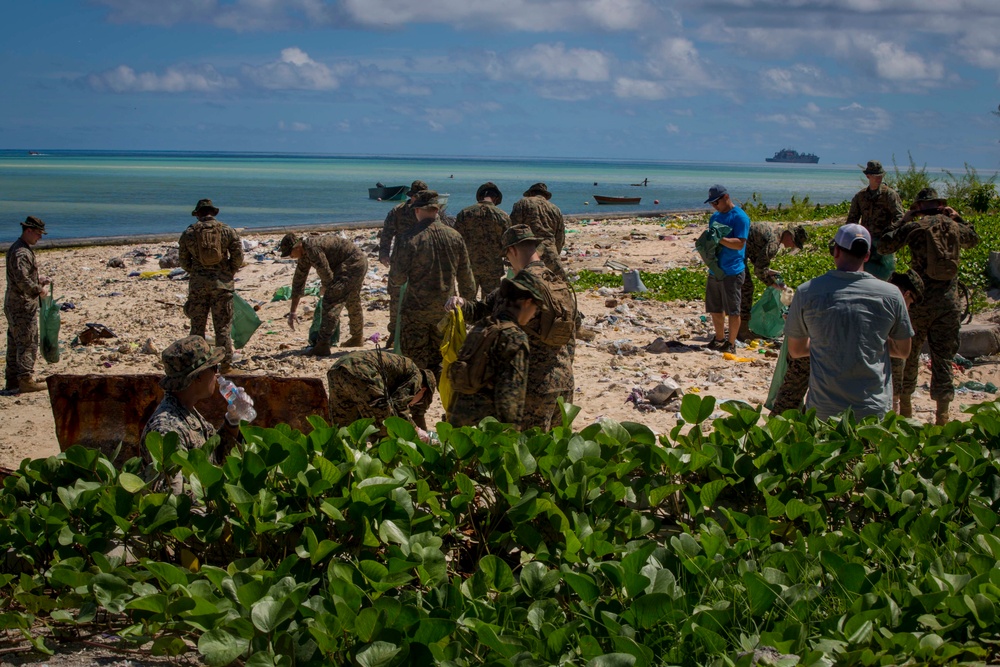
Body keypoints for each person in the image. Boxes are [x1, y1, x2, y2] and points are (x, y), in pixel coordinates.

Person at [448, 224, 577, 430]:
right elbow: (573, 332)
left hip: (533, 386)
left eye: (507, 257)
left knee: (528, 452)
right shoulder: (558, 283)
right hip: (564, 381)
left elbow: (494, 321)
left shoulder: (521, 286)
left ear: (512, 250)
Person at [784, 224, 914, 421]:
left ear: (835, 251)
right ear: (868, 255)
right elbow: (903, 350)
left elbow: (796, 349)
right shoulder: (892, 294)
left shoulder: (807, 291)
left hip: (824, 411)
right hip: (873, 411)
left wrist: (829, 342)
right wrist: (867, 343)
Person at [878, 187, 980, 424]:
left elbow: (885, 245)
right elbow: (973, 240)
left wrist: (903, 219)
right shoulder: (954, 227)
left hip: (919, 302)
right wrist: (958, 217)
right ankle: (942, 417)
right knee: (943, 358)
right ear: (941, 205)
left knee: (908, 355)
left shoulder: (916, 228)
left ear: (919, 207)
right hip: (949, 303)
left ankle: (905, 412)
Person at [388, 190, 476, 378]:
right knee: (441, 362)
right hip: (445, 310)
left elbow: (397, 279)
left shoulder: (408, 238)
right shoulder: (454, 236)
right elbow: (467, 278)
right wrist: (468, 306)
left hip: (416, 312)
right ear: (437, 210)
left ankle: (419, 403)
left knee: (414, 367)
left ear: (417, 210)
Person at [140, 335, 243, 494]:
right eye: (214, 368)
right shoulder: (166, 430)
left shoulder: (186, 412)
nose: (217, 375)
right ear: (198, 377)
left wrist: (232, 421)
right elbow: (173, 499)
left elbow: (214, 461)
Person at [447, 278, 538, 428]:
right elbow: (510, 397)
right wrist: (511, 433)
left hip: (459, 419)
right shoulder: (515, 337)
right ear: (527, 303)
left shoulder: (481, 328)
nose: (534, 314)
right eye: (535, 307)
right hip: (487, 426)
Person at [178, 199, 244, 373]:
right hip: (222, 285)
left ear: (198, 214)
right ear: (213, 213)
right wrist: (227, 272)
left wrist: (197, 272)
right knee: (222, 328)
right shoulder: (228, 231)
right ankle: (225, 365)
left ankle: (196, 366)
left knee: (197, 328)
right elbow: (238, 257)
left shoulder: (189, 233)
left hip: (198, 286)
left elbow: (184, 261)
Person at [280, 232, 368, 356]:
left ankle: (322, 344)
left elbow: (326, 274)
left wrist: (326, 288)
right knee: (352, 299)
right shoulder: (304, 254)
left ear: (297, 246)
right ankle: (357, 337)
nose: (291, 256)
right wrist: (293, 311)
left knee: (331, 301)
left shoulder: (312, 249)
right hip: (354, 263)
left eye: (290, 253)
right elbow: (298, 282)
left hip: (353, 262)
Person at [327, 349, 437, 437]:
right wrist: (415, 430)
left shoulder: (404, 372)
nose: (411, 404)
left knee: (342, 427)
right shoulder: (416, 376)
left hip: (337, 368)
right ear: (423, 389)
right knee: (385, 426)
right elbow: (399, 406)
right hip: (361, 370)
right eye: (416, 403)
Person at [4, 216, 51, 393]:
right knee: (27, 341)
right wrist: (38, 289)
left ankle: (13, 379)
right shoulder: (21, 252)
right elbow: (21, 279)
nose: (40, 237)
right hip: (21, 305)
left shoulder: (21, 249)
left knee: (15, 341)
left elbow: (21, 276)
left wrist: (38, 279)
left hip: (16, 303)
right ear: (28, 231)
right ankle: (25, 379)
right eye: (38, 234)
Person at [739, 223, 807, 340]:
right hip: (737, 252)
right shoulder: (774, 244)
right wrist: (773, 284)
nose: (791, 247)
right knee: (747, 288)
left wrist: (768, 271)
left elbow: (756, 255)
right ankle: (742, 330)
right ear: (790, 236)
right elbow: (759, 270)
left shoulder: (774, 231)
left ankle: (739, 325)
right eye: (794, 244)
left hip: (739, 248)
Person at [703, 185, 750, 353]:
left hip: (732, 270)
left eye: (716, 202)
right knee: (714, 307)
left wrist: (720, 238)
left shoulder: (740, 217)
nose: (714, 206)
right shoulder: (715, 217)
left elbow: (739, 244)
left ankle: (731, 344)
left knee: (733, 310)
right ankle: (719, 338)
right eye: (711, 203)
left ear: (726, 197)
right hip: (715, 269)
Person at [380, 180, 427, 345]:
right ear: (412, 197)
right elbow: (387, 233)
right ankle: (394, 333)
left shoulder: (429, 211)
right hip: (400, 261)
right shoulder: (398, 211)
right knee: (396, 298)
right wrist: (383, 254)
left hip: (423, 261)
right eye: (417, 197)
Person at [846, 161, 904, 280]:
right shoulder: (860, 197)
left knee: (886, 276)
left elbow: (900, 217)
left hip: (884, 242)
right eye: (876, 176)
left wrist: (891, 233)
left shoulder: (889, 195)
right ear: (868, 176)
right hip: (866, 241)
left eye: (880, 176)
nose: (879, 178)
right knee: (864, 276)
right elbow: (852, 221)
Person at [454, 182, 511, 298]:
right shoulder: (503, 216)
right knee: (490, 304)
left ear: (480, 196)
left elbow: (456, 240)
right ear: (495, 198)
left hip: (469, 267)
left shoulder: (465, 214)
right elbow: (508, 243)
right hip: (492, 268)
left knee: (467, 303)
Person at [510, 182, 567, 279]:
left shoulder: (522, 203)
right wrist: (555, 252)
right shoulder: (555, 209)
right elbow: (560, 236)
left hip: (527, 250)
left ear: (531, 193)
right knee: (559, 284)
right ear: (545, 196)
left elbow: (513, 228)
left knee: (525, 285)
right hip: (549, 250)